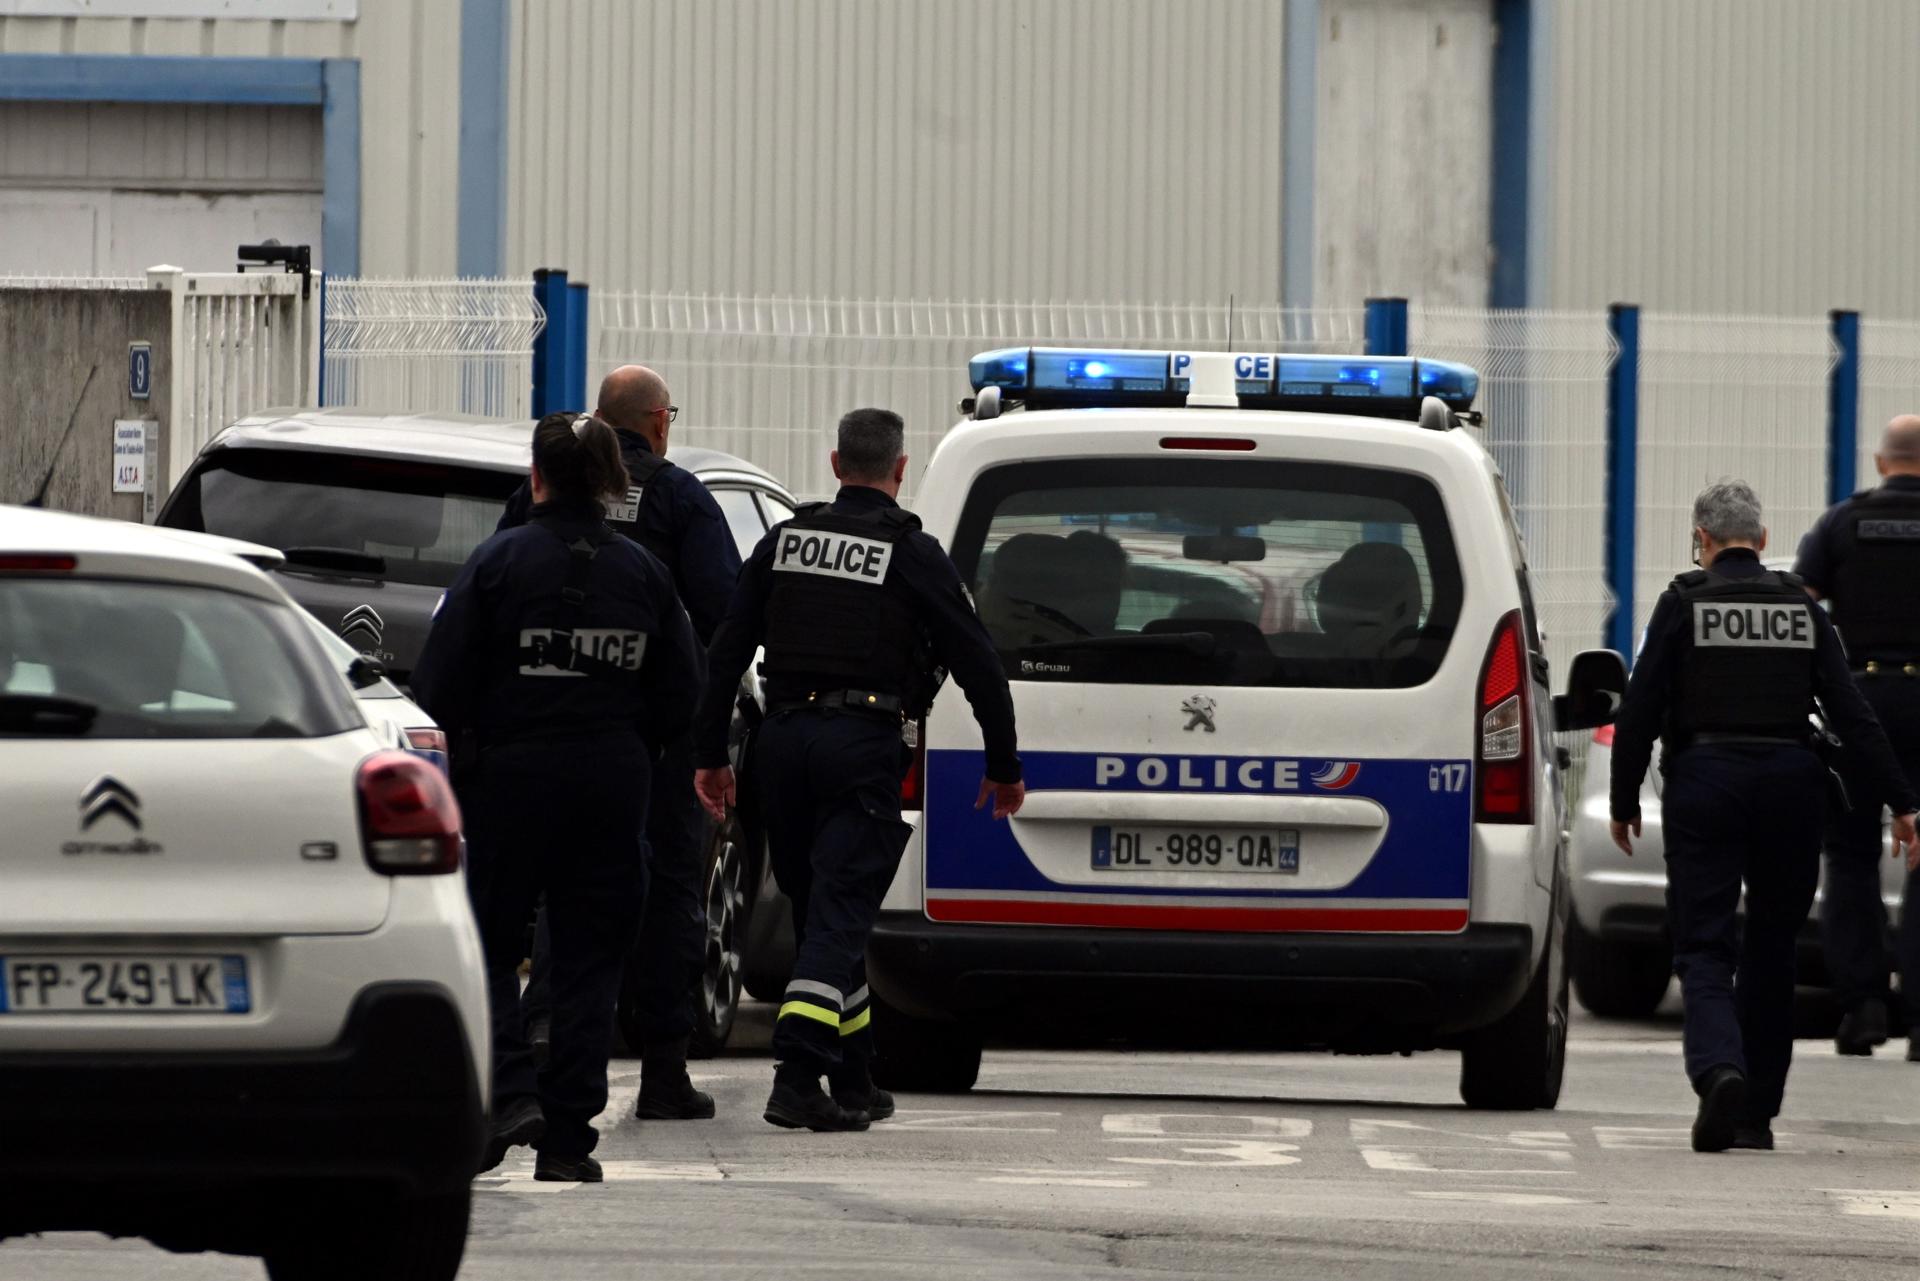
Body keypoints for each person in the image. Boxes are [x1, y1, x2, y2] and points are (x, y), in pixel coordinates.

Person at [692, 407, 1025, 1131]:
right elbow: (976, 660)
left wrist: (711, 754)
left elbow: (726, 650)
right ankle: (797, 1071)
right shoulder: (911, 552)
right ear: (900, 471)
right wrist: (1004, 764)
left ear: (836, 463)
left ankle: (853, 1072)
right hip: (860, 744)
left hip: (781, 745)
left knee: (819, 915)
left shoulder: (784, 540)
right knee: (840, 915)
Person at [412, 413, 702, 1182]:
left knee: (485, 943)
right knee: (590, 957)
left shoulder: (495, 563)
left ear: (536, 477)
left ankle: (510, 1093)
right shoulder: (645, 575)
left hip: (507, 783)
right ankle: (568, 1137)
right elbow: (686, 693)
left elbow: (435, 686)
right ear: (612, 482)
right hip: (611, 785)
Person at [1609, 479, 1919, 1154]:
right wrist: (1902, 800)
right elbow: (1852, 713)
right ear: (1766, 541)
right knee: (1773, 947)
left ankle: (1720, 1068)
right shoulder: (1801, 612)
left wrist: (1625, 797)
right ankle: (1755, 1113)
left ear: (1702, 540)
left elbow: (1639, 708)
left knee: (1704, 944)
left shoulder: (1682, 603)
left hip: (1707, 781)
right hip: (1790, 784)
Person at [503, 366, 743, 1120]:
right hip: (654, 743)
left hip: (549, 731)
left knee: (559, 887)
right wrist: (705, 736)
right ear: (659, 423)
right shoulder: (681, 497)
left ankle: (542, 1040)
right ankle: (663, 1070)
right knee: (672, 891)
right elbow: (725, 620)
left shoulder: (538, 500)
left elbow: (497, 589)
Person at [1793, 414, 1920, 1059]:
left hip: (1857, 701)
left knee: (1849, 856)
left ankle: (1863, 1008)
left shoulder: (1841, 524)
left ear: (1879, 462)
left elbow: (1804, 601)